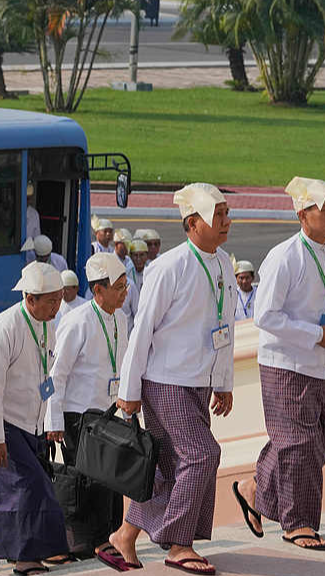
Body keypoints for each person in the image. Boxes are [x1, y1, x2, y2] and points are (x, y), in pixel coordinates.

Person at [103, 183, 235, 575]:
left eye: (227, 213)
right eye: (219, 215)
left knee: (169, 467)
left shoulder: (224, 263)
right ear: (192, 224)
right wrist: (129, 392)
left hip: (200, 382)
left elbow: (225, 325)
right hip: (165, 382)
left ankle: (125, 536)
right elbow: (142, 330)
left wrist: (224, 382)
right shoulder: (169, 266)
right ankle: (179, 545)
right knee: (202, 455)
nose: (227, 222)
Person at [234, 177, 325, 552]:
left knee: (319, 437)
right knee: (299, 442)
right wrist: (312, 334)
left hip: (319, 364)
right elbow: (264, 316)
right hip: (285, 364)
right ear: (303, 215)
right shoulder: (284, 257)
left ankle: (252, 488)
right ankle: (298, 523)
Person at [0, 261, 68, 575]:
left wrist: (48, 422)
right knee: (29, 487)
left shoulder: (48, 323)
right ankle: (25, 558)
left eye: (59, 299)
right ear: (30, 299)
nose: (56, 307)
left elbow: (46, 374)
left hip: (31, 424)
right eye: (51, 301)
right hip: (3, 424)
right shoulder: (4, 327)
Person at [46, 253, 129, 560]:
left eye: (125, 286)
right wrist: (52, 419)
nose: (124, 293)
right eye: (118, 287)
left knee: (111, 479)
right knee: (87, 480)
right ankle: (88, 541)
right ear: (98, 291)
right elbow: (57, 375)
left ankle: (105, 536)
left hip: (108, 414)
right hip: (77, 416)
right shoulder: (76, 321)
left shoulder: (121, 319)